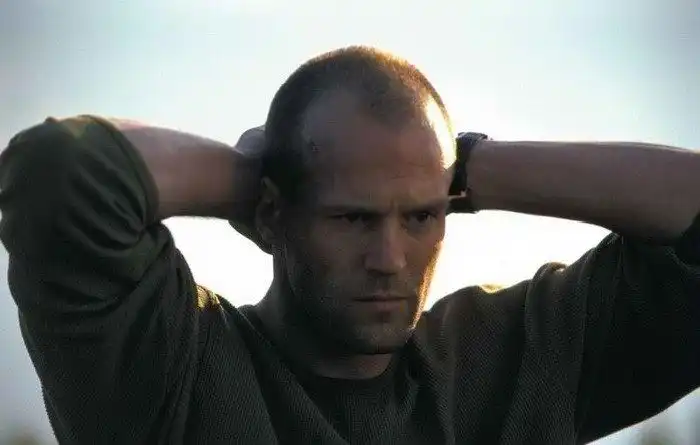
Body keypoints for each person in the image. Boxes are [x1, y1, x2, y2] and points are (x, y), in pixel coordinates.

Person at [1, 46, 698, 445]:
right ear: (271, 216)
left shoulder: (511, 361)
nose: (391, 259)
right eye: (352, 218)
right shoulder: (170, 371)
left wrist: (467, 166)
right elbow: (60, 171)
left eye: (420, 217)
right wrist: (254, 175)